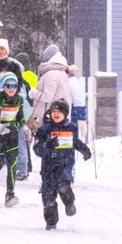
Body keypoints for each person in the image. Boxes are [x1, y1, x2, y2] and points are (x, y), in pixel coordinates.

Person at [33, 98, 92, 230]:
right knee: (48, 197)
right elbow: (37, 149)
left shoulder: (71, 128)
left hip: (65, 165)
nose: (56, 114)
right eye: (54, 111)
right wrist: (47, 145)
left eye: (59, 111)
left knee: (63, 185)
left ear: (65, 113)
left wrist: (84, 149)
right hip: (48, 168)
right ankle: (51, 222)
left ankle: (69, 203)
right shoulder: (44, 129)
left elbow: (75, 142)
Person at [0, 72, 26, 207]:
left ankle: (10, 194)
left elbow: (20, 115)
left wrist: (24, 126)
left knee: (13, 165)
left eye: (14, 86)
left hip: (12, 136)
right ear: (3, 86)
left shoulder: (19, 100)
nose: (11, 89)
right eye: (8, 86)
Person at [31, 44, 73, 130]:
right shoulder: (61, 72)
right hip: (59, 116)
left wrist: (33, 92)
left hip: (49, 117)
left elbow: (47, 97)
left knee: (47, 141)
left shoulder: (51, 74)